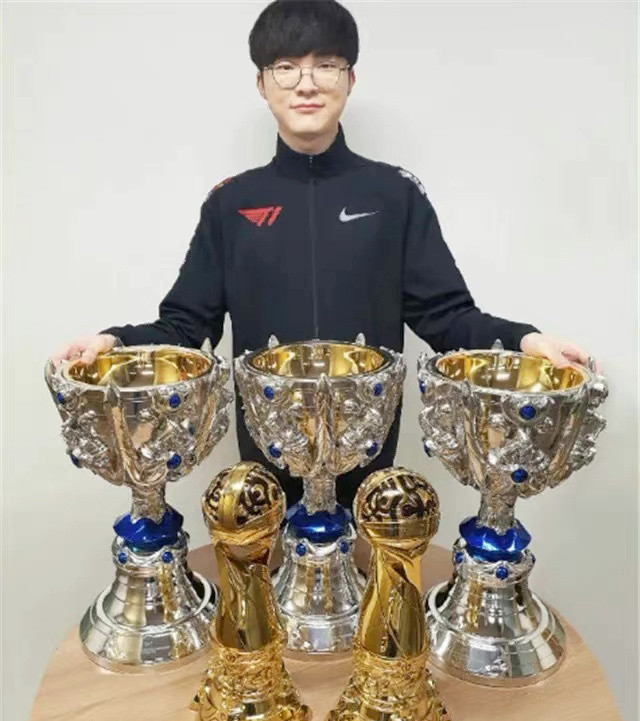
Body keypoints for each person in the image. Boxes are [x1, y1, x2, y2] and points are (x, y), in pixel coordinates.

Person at [51, 0, 597, 510]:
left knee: (368, 574)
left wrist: (526, 340)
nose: (307, 84)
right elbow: (184, 327)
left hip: (368, 468)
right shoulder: (231, 203)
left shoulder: (394, 195)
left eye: (326, 66)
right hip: (265, 472)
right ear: (262, 83)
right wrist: (115, 342)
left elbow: (448, 317)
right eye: (286, 68)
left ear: (350, 79)